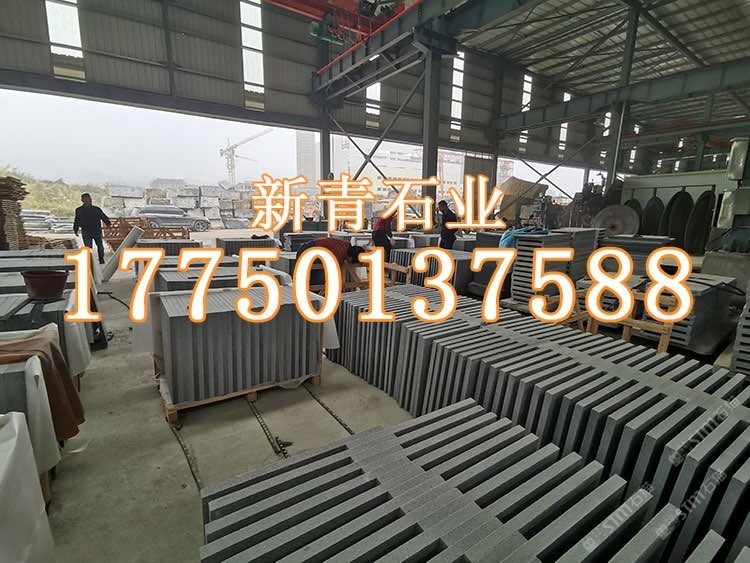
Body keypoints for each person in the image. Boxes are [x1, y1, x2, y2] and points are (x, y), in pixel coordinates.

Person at [296, 237, 365, 286]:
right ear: (351, 258)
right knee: (316, 280)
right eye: (353, 262)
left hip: (310, 247)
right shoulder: (339, 255)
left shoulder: (346, 246)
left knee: (318, 279)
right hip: (307, 251)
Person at [74, 193, 111, 264]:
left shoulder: (96, 209)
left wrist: (108, 224)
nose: (88, 200)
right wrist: (76, 229)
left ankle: (101, 259)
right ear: (82, 200)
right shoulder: (79, 210)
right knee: (88, 247)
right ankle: (89, 260)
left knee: (100, 246)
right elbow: (77, 220)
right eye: (86, 199)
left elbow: (103, 217)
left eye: (89, 199)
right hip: (86, 231)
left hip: (96, 230)